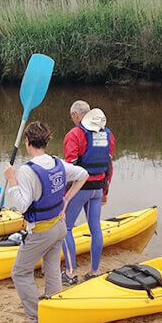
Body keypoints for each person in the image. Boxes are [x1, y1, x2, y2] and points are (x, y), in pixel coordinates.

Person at [4, 122, 89, 323]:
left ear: (27, 142)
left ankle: (37, 317)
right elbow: (84, 175)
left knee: (20, 273)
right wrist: (66, 200)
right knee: (51, 268)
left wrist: (12, 180)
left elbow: (22, 204)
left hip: (41, 232)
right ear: (46, 141)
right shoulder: (57, 162)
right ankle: (54, 309)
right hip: (60, 227)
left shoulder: (26, 171)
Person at [61, 103, 115, 285]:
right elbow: (109, 166)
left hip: (79, 190)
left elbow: (70, 168)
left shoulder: (74, 134)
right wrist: (105, 191)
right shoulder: (107, 134)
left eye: (72, 117)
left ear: (75, 115)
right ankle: (94, 271)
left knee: (66, 228)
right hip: (98, 189)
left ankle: (70, 273)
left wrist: (65, 195)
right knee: (95, 228)